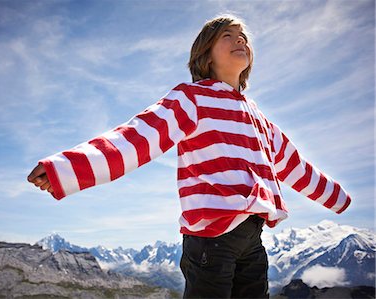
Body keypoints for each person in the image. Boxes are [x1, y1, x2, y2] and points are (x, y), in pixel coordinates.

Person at [27, 14, 351, 299]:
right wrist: (67, 169)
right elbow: (138, 137)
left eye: (243, 36)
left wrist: (337, 198)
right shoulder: (191, 99)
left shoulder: (257, 117)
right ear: (206, 55)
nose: (239, 38)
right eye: (227, 35)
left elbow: (293, 164)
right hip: (211, 238)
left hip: (253, 237)